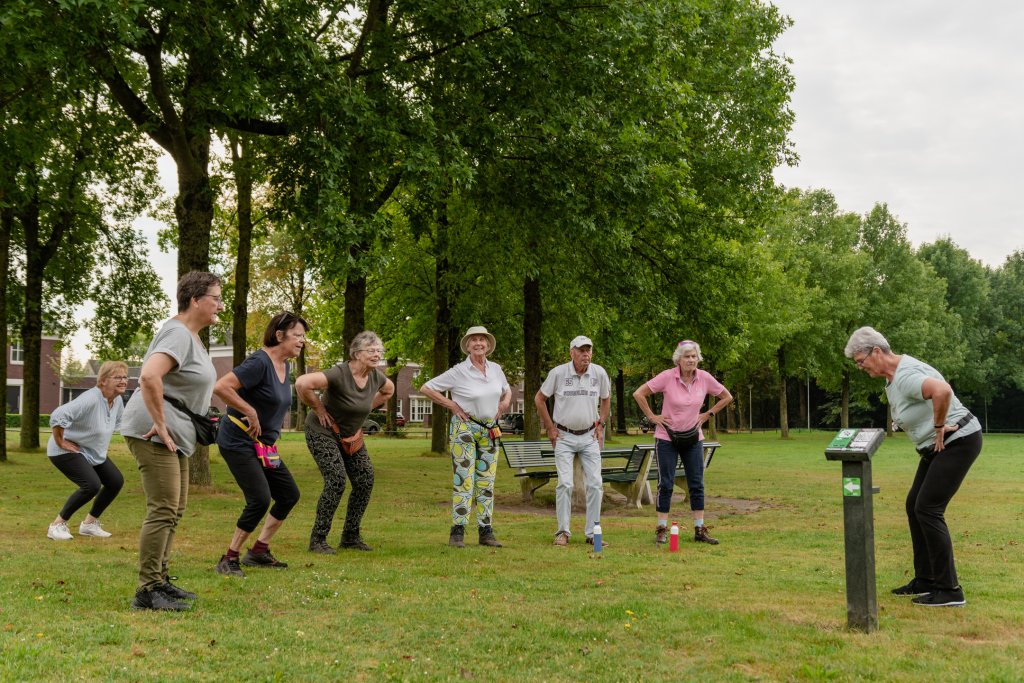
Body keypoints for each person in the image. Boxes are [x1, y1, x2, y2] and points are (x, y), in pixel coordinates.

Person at [845, 326, 981, 607]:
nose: (861, 367)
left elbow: (942, 391)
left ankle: (949, 590)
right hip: (937, 447)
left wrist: (940, 426)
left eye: (861, 361)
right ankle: (926, 579)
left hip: (957, 441)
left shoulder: (905, 376)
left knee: (928, 508)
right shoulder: (895, 375)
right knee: (914, 505)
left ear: (877, 351)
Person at [120, 271, 222, 611]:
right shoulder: (177, 333)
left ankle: (160, 581)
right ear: (195, 300)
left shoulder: (189, 336)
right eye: (216, 298)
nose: (220, 305)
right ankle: (147, 591)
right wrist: (161, 424)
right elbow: (149, 375)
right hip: (153, 432)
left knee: (174, 509)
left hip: (175, 434)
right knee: (163, 508)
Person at [212, 312, 307, 577]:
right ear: (279, 335)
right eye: (297, 335)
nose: (302, 341)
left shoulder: (285, 365)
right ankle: (229, 558)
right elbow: (222, 387)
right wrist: (250, 411)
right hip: (237, 440)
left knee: (288, 495)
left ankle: (259, 551)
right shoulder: (259, 362)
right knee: (260, 499)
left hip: (264, 445)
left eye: (303, 337)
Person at [296, 331, 394, 554]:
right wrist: (318, 408)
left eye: (379, 350)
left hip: (352, 436)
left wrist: (365, 408)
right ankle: (318, 539)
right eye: (371, 350)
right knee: (336, 480)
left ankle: (350, 536)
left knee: (365, 480)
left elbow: (389, 391)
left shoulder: (377, 377)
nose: (377, 354)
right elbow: (302, 383)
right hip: (323, 432)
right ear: (357, 353)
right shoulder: (339, 373)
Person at [633, 339, 733, 546]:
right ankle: (661, 529)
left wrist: (708, 414)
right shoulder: (668, 377)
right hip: (667, 437)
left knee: (696, 484)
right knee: (666, 484)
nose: (691, 360)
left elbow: (726, 396)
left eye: (694, 356)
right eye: (687, 356)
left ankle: (699, 529)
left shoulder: (704, 378)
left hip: (693, 438)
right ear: (679, 359)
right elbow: (639, 393)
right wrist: (653, 417)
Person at [420, 326, 512, 548]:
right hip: (464, 429)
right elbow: (426, 387)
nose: (479, 343)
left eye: (482, 340)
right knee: (464, 480)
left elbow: (506, 390)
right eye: (474, 340)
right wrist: (451, 404)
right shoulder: (458, 371)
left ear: (488, 345)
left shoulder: (496, 369)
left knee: (487, 482)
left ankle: (486, 531)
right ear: (468, 346)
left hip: (490, 430)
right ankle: (457, 532)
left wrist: (505, 402)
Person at [534, 336, 611, 547]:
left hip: (589, 436)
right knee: (565, 483)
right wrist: (549, 427)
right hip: (564, 436)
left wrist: (601, 424)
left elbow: (606, 398)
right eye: (581, 350)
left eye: (589, 350)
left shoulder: (599, 373)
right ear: (572, 353)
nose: (586, 354)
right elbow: (539, 399)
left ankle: (593, 533)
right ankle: (562, 531)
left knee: (596, 484)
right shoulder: (558, 373)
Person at [45, 361, 129, 541]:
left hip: (91, 451)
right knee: (91, 485)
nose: (123, 381)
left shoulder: (117, 400)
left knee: (115, 481)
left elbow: (121, 424)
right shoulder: (90, 398)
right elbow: (59, 415)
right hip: (65, 451)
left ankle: (89, 524)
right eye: (118, 377)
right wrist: (60, 441)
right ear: (103, 381)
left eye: (125, 377)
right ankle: (57, 525)